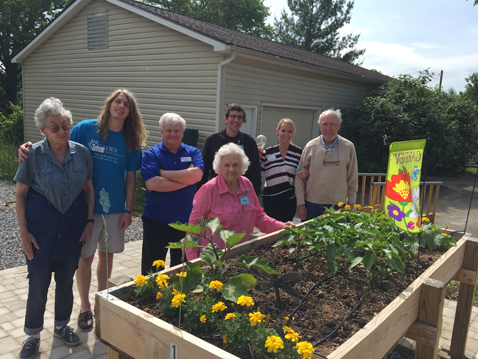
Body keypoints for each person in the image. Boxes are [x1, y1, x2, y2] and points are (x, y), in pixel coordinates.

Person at [19, 89, 148, 332]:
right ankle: (85, 307)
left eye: (126, 104)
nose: (121, 106)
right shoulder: (87, 128)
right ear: (109, 104)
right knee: (84, 258)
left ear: (131, 111)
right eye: (117, 101)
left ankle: (103, 301)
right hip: (83, 209)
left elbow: (131, 178)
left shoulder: (131, 140)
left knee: (106, 256)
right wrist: (27, 147)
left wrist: (128, 210)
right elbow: (55, 140)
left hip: (114, 208)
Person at [14, 98, 94, 358]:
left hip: (72, 227)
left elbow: (89, 190)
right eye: (54, 127)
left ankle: (61, 325)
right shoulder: (31, 154)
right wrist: (24, 233)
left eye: (65, 124)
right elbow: (20, 195)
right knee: (38, 283)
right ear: (43, 131)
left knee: (65, 282)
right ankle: (33, 335)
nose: (62, 130)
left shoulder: (82, 152)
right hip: (41, 232)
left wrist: (89, 222)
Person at [186, 143, 295, 261]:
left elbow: (258, 217)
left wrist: (281, 226)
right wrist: (193, 262)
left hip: (240, 255)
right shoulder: (210, 189)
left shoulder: (247, 185)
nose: (231, 169)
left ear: (242, 166)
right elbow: (194, 225)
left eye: (235, 165)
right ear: (219, 167)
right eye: (226, 165)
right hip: (214, 258)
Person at [141, 113, 204, 274]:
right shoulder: (152, 154)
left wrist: (163, 172)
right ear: (161, 132)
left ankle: (178, 298)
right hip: (156, 220)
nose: (173, 134)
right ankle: (152, 298)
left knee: (182, 268)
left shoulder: (193, 152)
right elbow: (153, 184)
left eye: (177, 130)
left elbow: (197, 176)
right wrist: (186, 178)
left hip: (185, 221)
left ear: (183, 132)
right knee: (152, 270)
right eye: (168, 130)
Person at [295, 109, 358, 221]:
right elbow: (299, 175)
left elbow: (352, 178)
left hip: (338, 206)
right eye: (324, 124)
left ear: (339, 125)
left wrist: (351, 203)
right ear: (320, 126)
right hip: (311, 205)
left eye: (332, 124)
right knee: (309, 238)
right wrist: (301, 204)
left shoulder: (348, 147)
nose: (328, 128)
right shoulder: (310, 146)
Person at [198, 103, 261, 195]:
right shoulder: (212, 140)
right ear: (226, 119)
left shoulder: (249, 142)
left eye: (239, 117)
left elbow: (255, 171)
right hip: (217, 192)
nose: (236, 120)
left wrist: (253, 194)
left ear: (243, 121)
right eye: (233, 116)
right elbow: (205, 169)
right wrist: (201, 192)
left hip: (241, 192)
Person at [260, 118, 308, 222]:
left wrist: (306, 172)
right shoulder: (267, 153)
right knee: (272, 231)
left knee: (285, 232)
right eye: (283, 131)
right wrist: (254, 155)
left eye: (290, 131)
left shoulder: (298, 153)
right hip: (270, 200)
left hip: (289, 200)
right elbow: (257, 173)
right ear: (277, 131)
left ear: (293, 134)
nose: (286, 134)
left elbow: (303, 172)